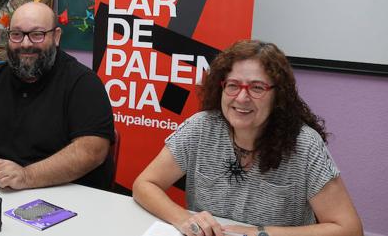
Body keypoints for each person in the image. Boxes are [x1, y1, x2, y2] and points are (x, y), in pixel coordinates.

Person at [132, 40, 363, 236]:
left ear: (277, 95)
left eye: (257, 88)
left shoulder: (304, 145)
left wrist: (262, 233)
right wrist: (184, 219)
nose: (242, 98)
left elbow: (349, 229)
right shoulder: (201, 128)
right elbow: (144, 185)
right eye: (233, 85)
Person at [0, 1, 115, 191]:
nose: (25, 44)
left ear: (56, 36)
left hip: (62, 198)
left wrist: (27, 176)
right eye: (17, 35)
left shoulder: (83, 83)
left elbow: (92, 151)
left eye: (37, 35)